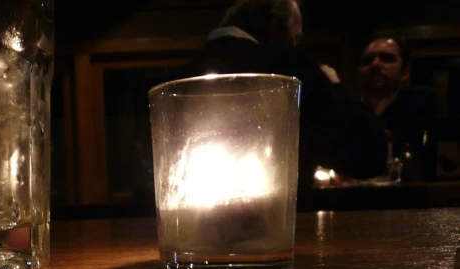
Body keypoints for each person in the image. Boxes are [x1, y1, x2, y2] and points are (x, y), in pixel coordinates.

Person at [179, 0, 388, 210]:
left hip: (193, 229)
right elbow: (369, 155)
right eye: (295, 38)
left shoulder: (178, 77)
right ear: (275, 27)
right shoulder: (288, 66)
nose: (295, 46)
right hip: (283, 229)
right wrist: (336, 85)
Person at [357, 35, 444, 172]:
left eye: (386, 58)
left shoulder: (422, 102)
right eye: (368, 61)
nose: (375, 64)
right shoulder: (349, 109)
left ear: (405, 72)